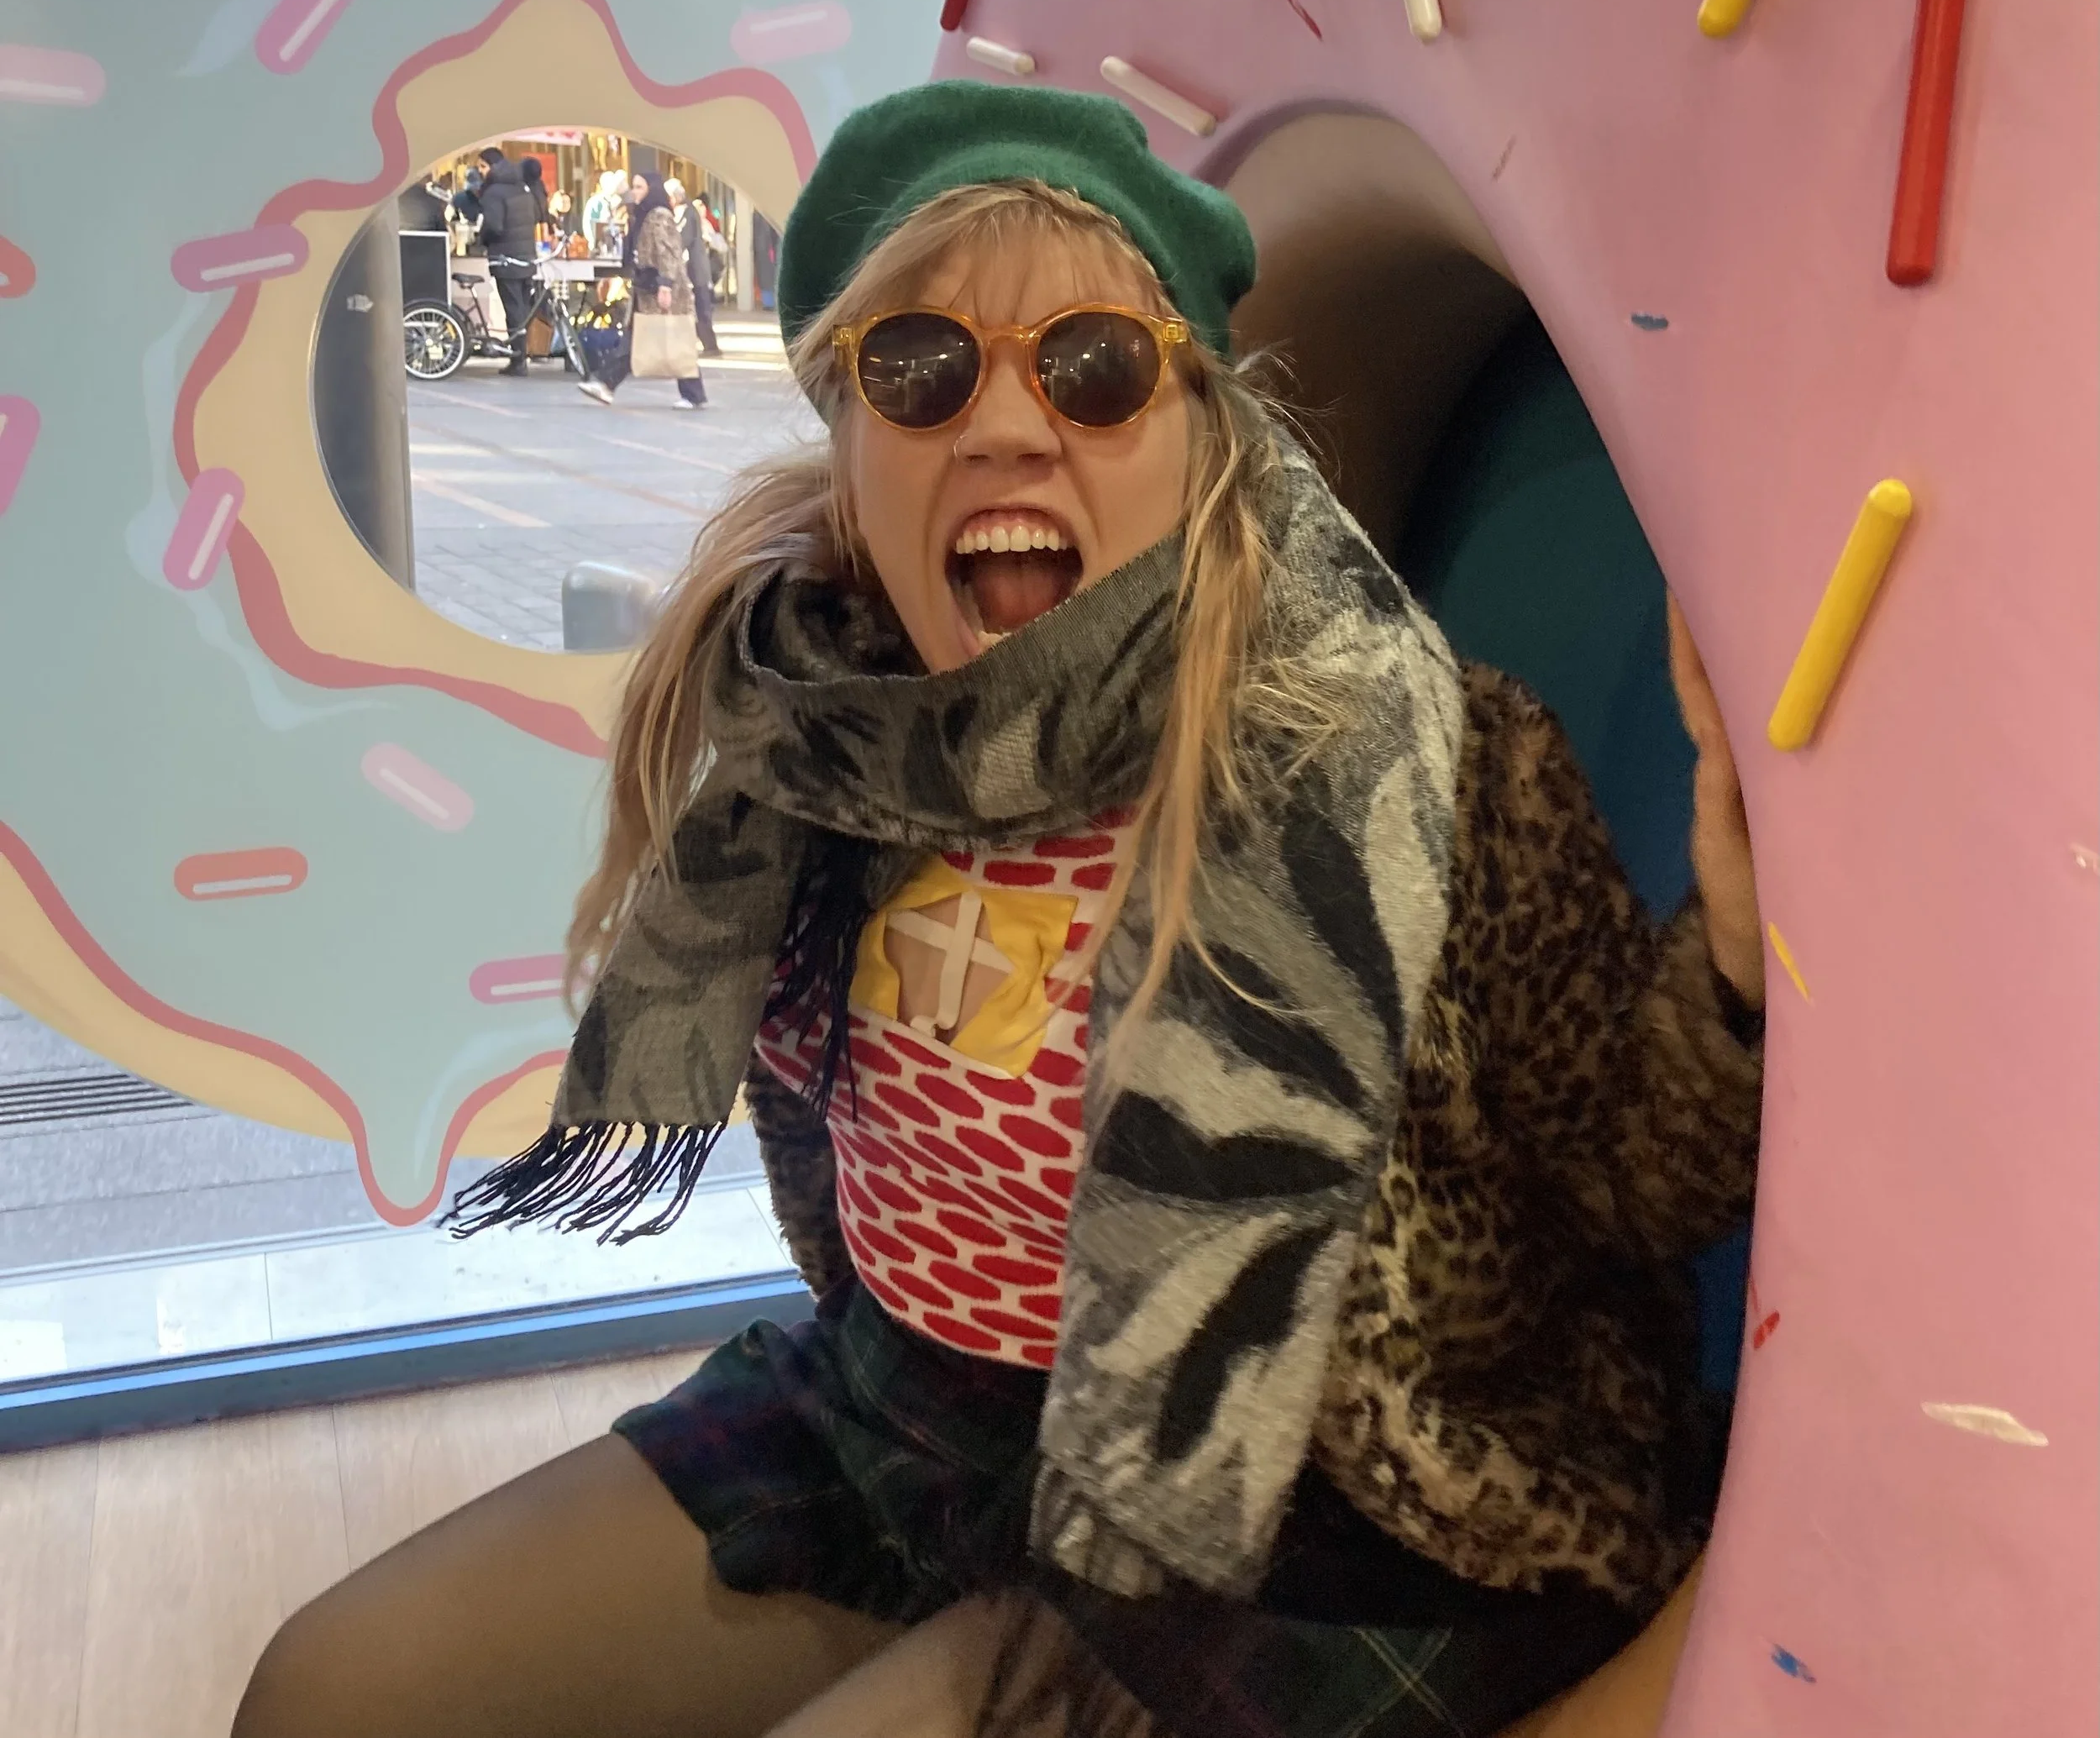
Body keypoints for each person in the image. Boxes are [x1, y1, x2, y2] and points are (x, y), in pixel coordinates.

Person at [234, 84, 1763, 1738]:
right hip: (908, 1415)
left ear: (1201, 431)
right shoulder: (817, 743)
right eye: (921, 369)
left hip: (1300, 1502)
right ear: (850, 440)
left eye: (1094, 367)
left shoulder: (1402, 766)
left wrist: (1737, 972)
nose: (1007, 427)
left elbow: (1628, 1180)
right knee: (334, 1688)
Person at [577, 171, 708, 409]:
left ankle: (608, 384)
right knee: (641, 338)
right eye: (634, 187)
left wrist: (666, 285)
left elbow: (669, 252)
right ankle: (607, 384)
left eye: (640, 187)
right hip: (647, 288)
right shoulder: (643, 215)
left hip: (660, 287)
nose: (635, 192)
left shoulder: (659, 216)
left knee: (673, 337)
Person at [475, 147, 543, 376]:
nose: (480, 171)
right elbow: (536, 216)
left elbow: (494, 226)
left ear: (493, 167)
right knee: (522, 309)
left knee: (513, 309)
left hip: (505, 257)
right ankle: (521, 356)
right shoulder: (522, 187)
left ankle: (518, 360)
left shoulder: (494, 192)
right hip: (526, 256)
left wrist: (481, 238)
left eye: (483, 166)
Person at [666, 176, 724, 359]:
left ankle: (710, 346)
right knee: (700, 307)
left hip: (694, 269)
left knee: (701, 307)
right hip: (695, 268)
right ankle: (708, 344)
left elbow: (683, 239)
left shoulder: (686, 212)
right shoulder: (689, 210)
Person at [583, 167, 629, 260]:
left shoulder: (620, 201)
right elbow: (588, 223)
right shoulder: (595, 202)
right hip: (598, 247)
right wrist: (593, 242)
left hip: (618, 246)